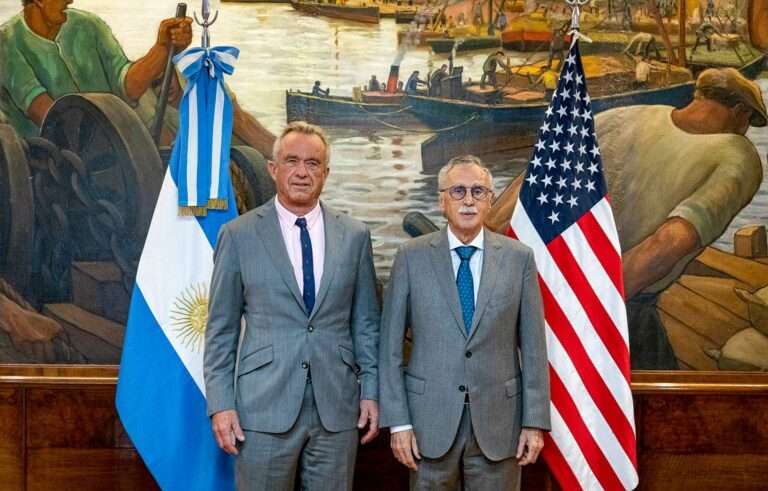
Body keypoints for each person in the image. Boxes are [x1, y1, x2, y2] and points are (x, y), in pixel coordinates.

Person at [484, 68, 767, 369]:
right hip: (614, 305)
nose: (745, 130)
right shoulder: (738, 156)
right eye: (749, 121)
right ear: (740, 112)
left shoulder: (622, 117)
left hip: (540, 276)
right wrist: (585, 311)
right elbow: (667, 243)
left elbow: (528, 187)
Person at [205, 122, 381, 490]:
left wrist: (371, 391)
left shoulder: (354, 235)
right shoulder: (238, 235)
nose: (302, 172)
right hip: (262, 407)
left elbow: (365, 324)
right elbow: (220, 330)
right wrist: (220, 404)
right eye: (292, 161)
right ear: (273, 169)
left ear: (326, 173)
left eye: (313, 163)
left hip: (337, 408)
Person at [379, 155, 550, 490]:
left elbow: (533, 348)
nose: (468, 200)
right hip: (427, 424)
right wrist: (398, 422)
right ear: (441, 200)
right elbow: (389, 349)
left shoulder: (519, 258)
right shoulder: (411, 257)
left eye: (478, 191)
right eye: (458, 191)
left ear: (490, 200)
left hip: (500, 424)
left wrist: (534, 422)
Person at [0, 0, 276, 156]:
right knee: (154, 119)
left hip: (122, 123)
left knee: (201, 80)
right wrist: (124, 128)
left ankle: (273, 152)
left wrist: (163, 48)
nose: (71, 0)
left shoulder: (88, 25)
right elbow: (47, 115)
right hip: (74, 148)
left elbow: (127, 84)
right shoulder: (7, 42)